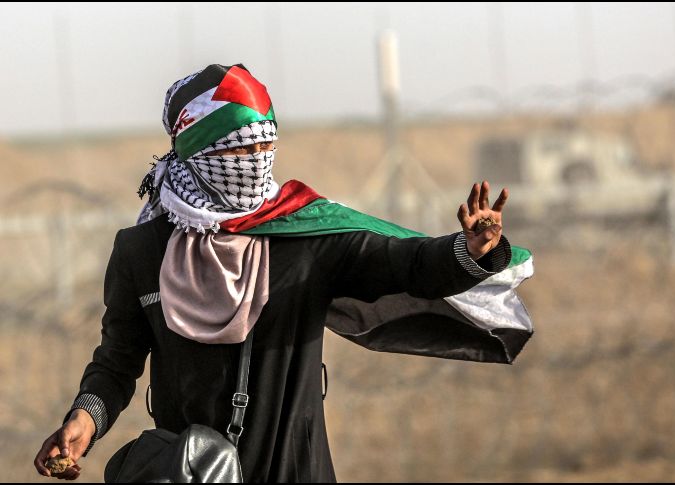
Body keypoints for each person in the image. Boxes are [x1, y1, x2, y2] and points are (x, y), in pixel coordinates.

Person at [33, 64, 534, 482]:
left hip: (296, 468)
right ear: (197, 152)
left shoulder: (304, 236)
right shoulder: (142, 250)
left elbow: (404, 263)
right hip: (191, 472)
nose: (256, 161)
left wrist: (469, 250)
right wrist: (86, 417)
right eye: (239, 150)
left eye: (264, 147)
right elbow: (119, 357)